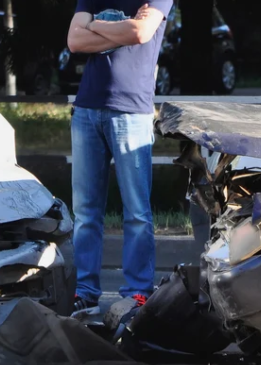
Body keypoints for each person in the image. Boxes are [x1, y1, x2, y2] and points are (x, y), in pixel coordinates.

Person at [67, 0, 174, 318]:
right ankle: (85, 293)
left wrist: (94, 26)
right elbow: (74, 41)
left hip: (132, 111)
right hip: (87, 110)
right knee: (86, 212)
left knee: (137, 212)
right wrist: (121, 31)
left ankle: (138, 292)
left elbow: (141, 33)